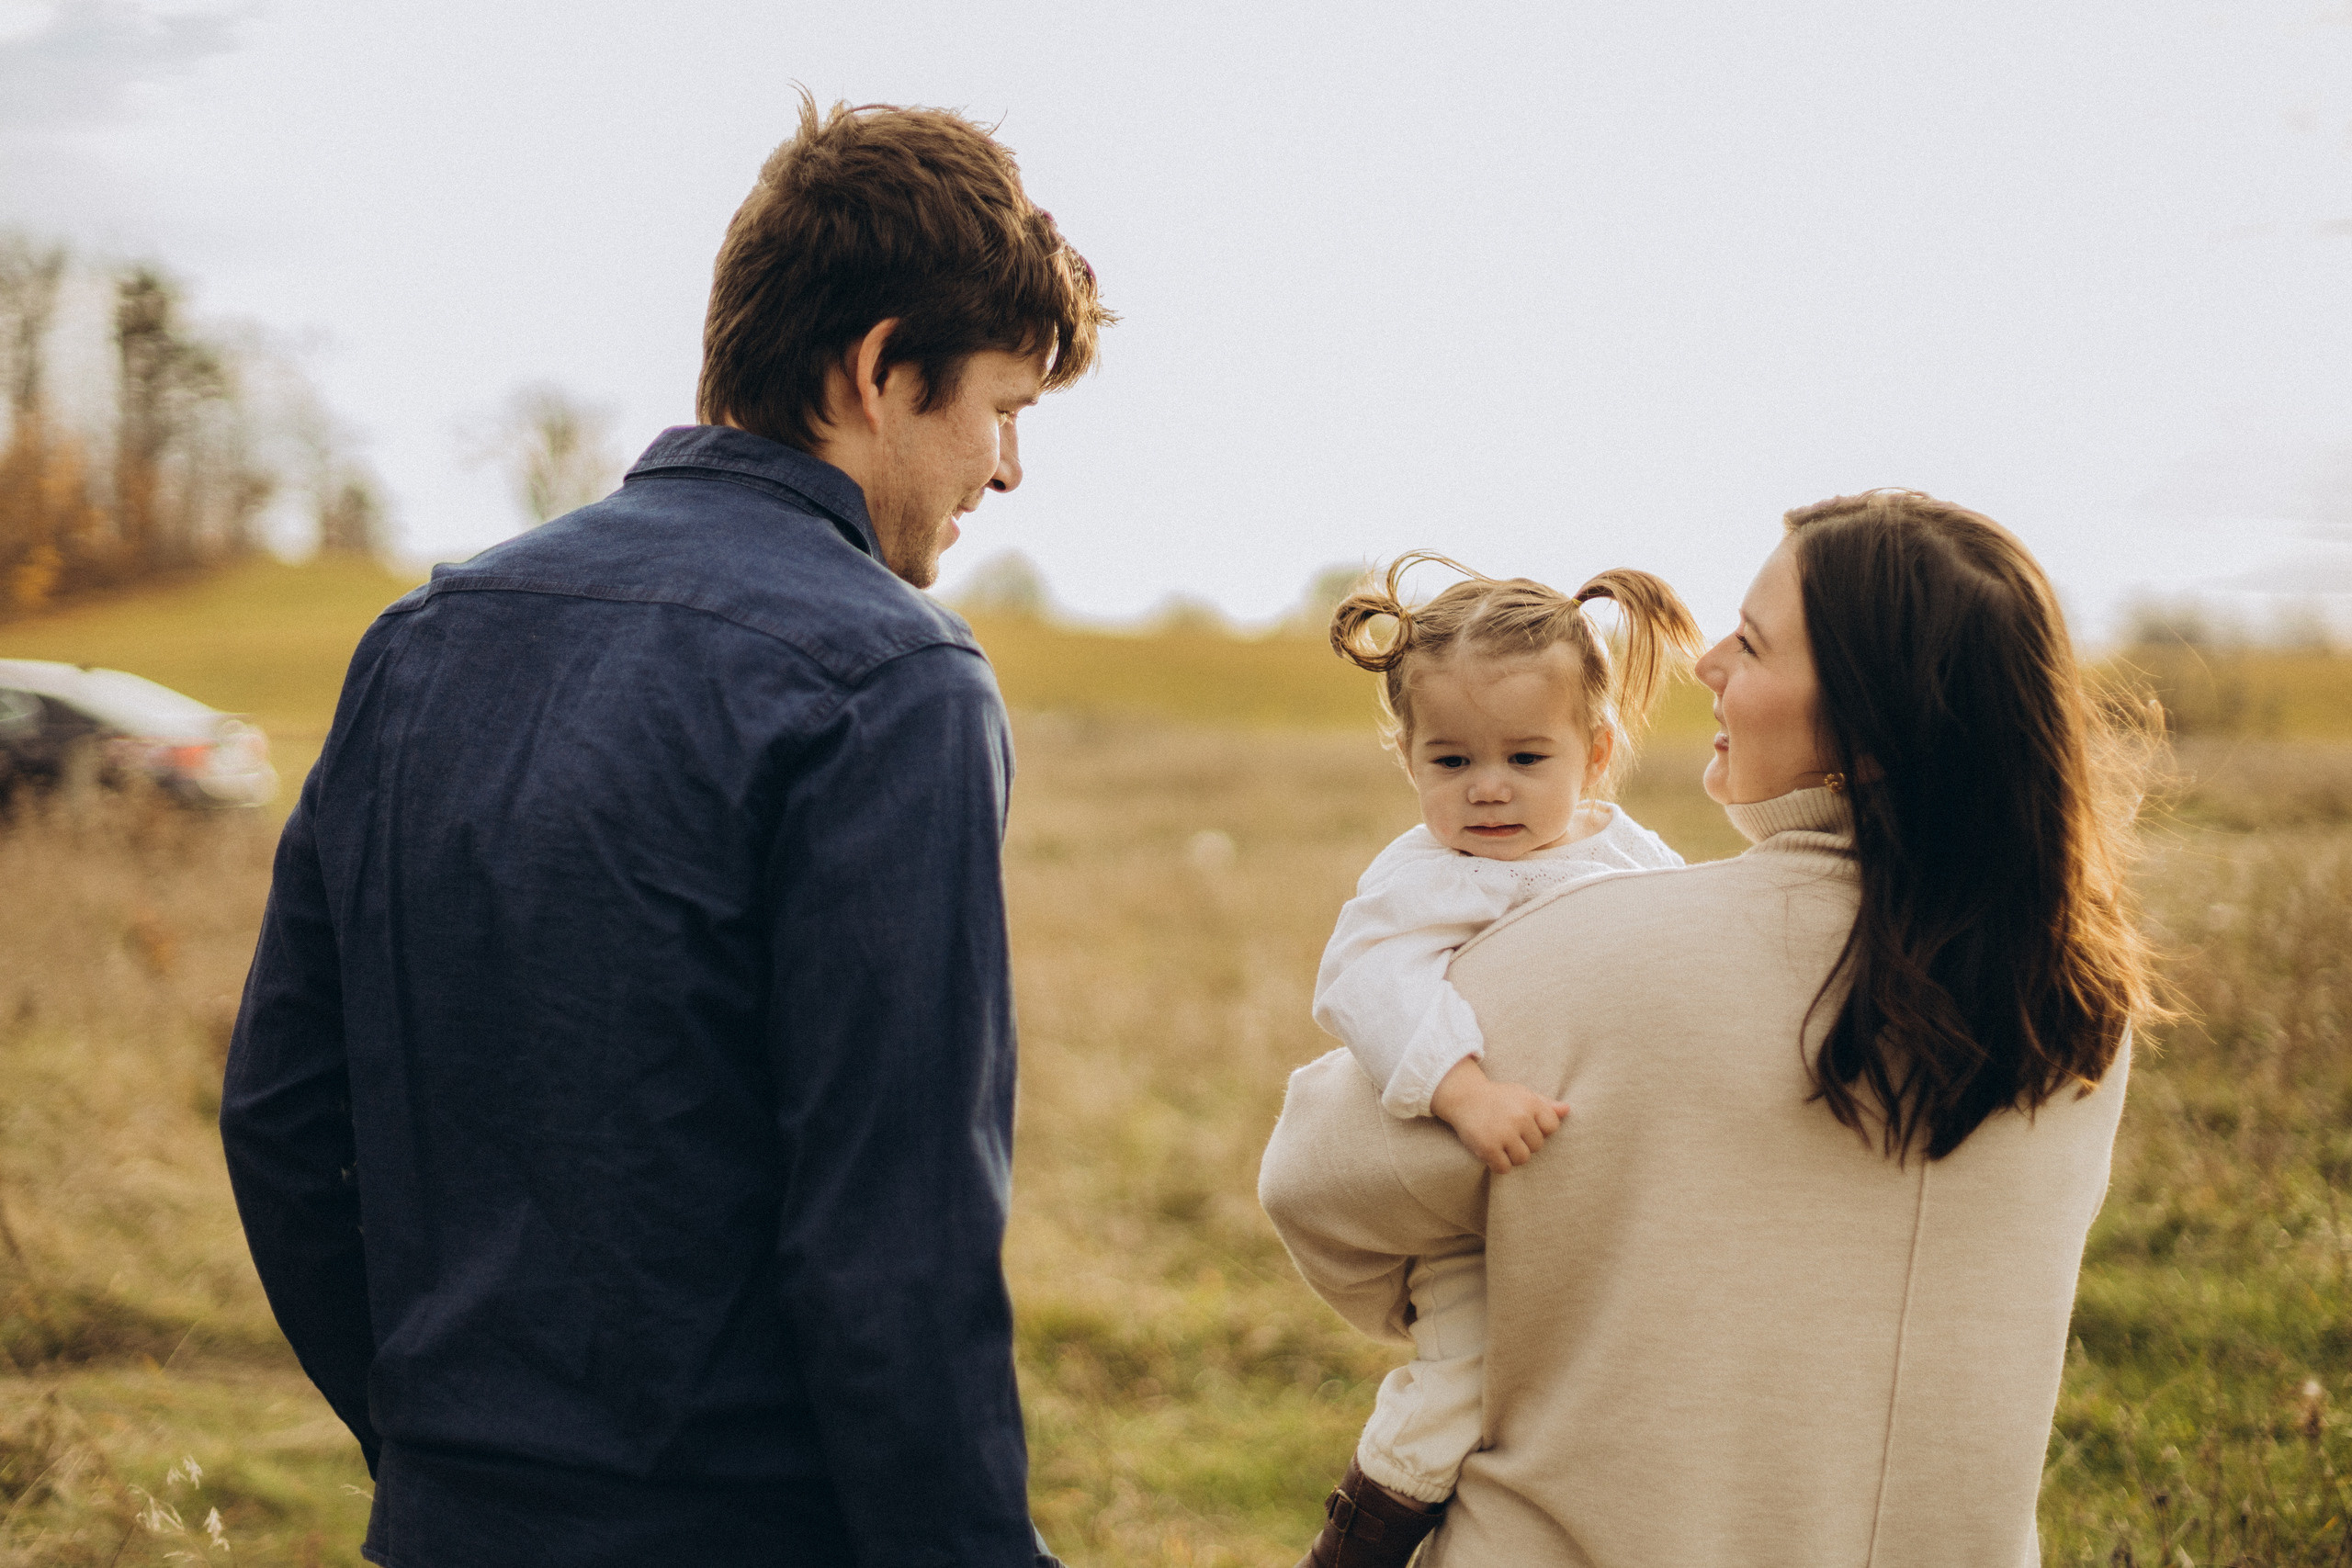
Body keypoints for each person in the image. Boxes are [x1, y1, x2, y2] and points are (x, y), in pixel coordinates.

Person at [220, 96, 1110, 1568]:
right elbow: (893, 1240)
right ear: (883, 368)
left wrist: (431, 1442)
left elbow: (282, 1115)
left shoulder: (423, 637)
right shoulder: (892, 681)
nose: (1007, 467)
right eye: (1002, 407)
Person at [1261, 491, 2154, 1566]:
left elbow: (1314, 1180)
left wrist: (1530, 1273)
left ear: (1868, 721)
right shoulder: (2076, 1007)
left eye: (1755, 643)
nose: (1705, 662)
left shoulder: (1591, 956)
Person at [1293, 554, 1700, 1566]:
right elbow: (1367, 984)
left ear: (1595, 753)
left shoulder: (1624, 853)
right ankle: (1359, 1544)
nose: (1487, 792)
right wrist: (1462, 1091)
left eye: (1525, 760)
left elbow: (1689, 941)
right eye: (1450, 762)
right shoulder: (1424, 879)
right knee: (1459, 1386)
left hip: (1598, 1187)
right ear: (1409, 760)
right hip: (1471, 1209)